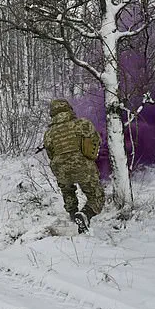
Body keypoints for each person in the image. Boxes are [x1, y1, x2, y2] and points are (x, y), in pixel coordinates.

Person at [43, 99, 105, 234]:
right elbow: (97, 141)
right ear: (69, 109)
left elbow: (51, 154)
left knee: (68, 192)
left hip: (61, 169)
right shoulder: (82, 124)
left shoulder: (48, 133)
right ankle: (84, 215)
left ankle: (73, 218)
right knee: (97, 197)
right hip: (83, 166)